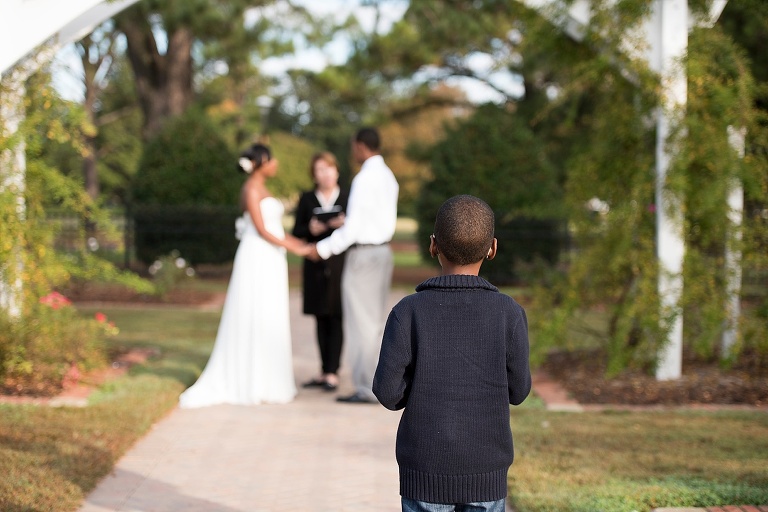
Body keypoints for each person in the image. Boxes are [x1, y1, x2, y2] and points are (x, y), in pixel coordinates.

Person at [372, 195, 532, 512]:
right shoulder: (508, 314)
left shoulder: (408, 312)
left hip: (424, 470)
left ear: (433, 246)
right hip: (486, 470)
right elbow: (519, 390)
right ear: (493, 248)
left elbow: (388, 392)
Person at [179, 143, 310, 408]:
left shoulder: (262, 188)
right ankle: (251, 380)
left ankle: (269, 379)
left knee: (269, 313)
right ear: (261, 162)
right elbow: (262, 230)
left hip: (271, 257)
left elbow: (274, 228)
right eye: (272, 160)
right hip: (257, 256)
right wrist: (296, 247)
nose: (276, 164)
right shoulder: (250, 189)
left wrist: (299, 244)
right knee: (254, 311)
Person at [307, 127, 399, 404]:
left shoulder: (365, 179)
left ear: (360, 146)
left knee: (361, 323)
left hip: (364, 255)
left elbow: (354, 228)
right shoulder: (388, 176)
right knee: (373, 322)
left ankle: (366, 387)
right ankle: (374, 382)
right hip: (383, 252)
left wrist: (321, 249)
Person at [292, 151, 349, 392]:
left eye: (328, 168)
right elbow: (297, 230)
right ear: (314, 174)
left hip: (340, 263)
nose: (324, 174)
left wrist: (344, 224)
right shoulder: (307, 198)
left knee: (336, 315)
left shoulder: (347, 196)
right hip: (315, 264)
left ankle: (333, 371)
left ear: (336, 170)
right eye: (319, 170)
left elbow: (358, 224)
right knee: (320, 317)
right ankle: (323, 369)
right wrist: (311, 228)